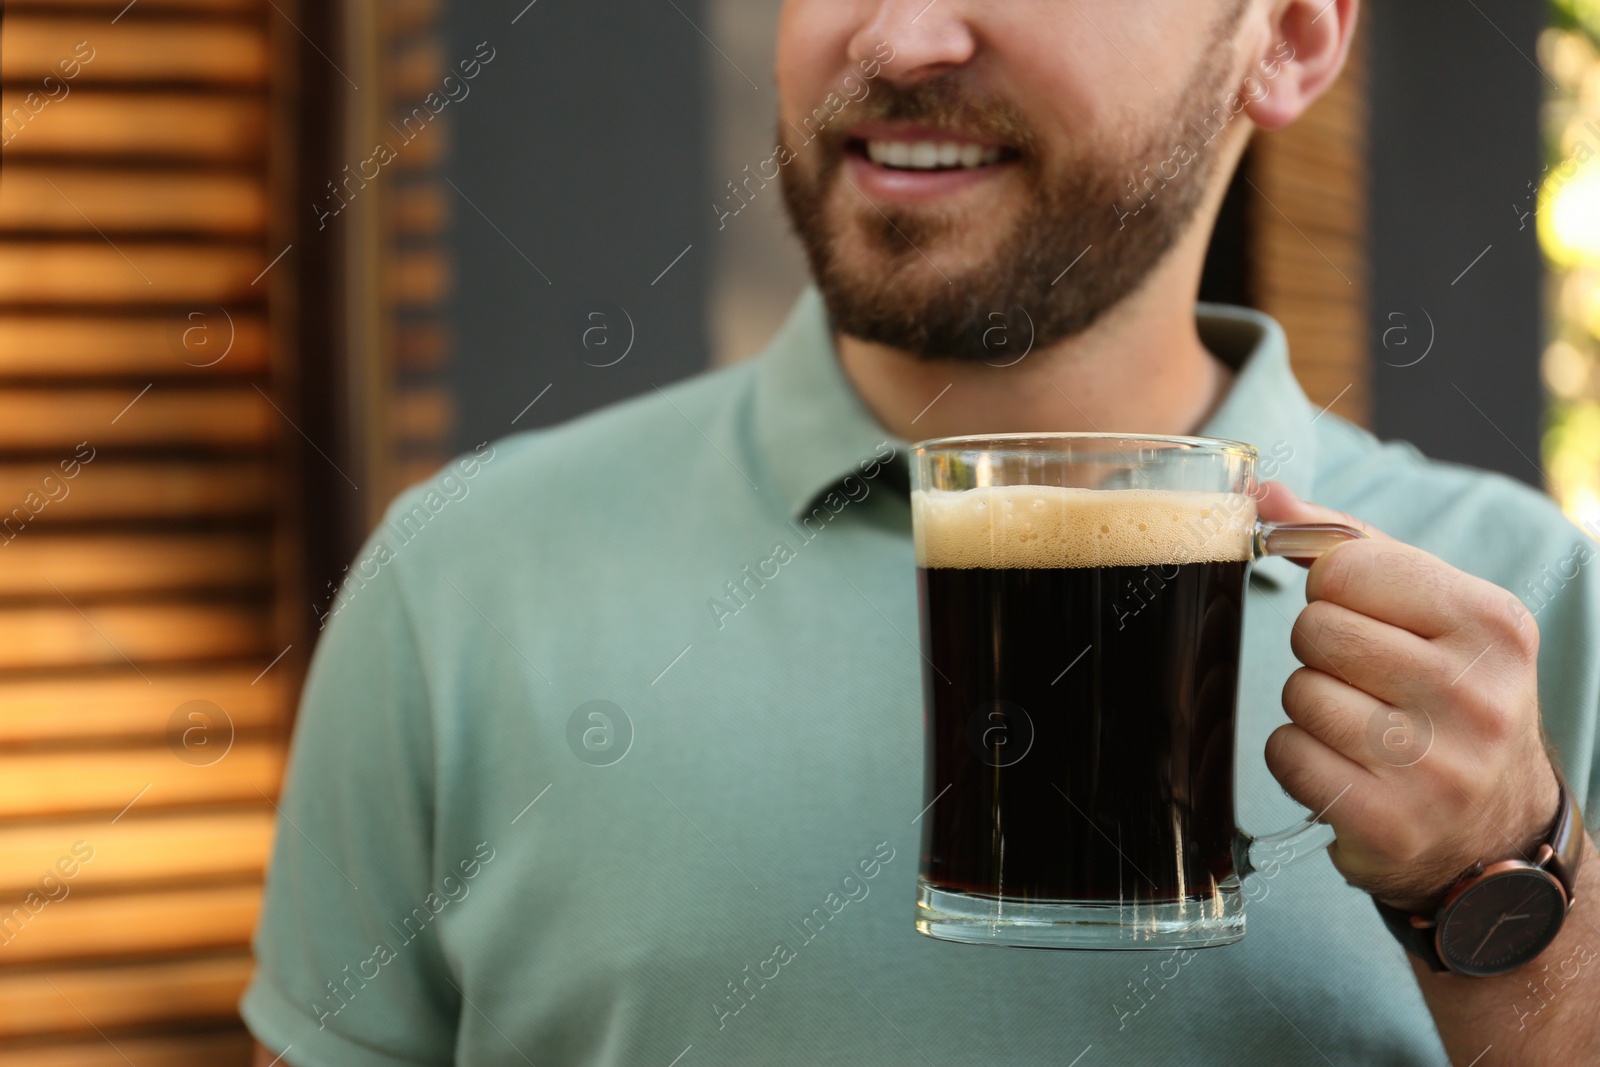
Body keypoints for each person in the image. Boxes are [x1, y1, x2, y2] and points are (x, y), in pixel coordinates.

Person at [245, 0, 1600, 1063]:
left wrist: (1505, 903)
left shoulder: (1533, 610)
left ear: (1289, 37)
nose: (895, 36)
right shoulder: (458, 579)